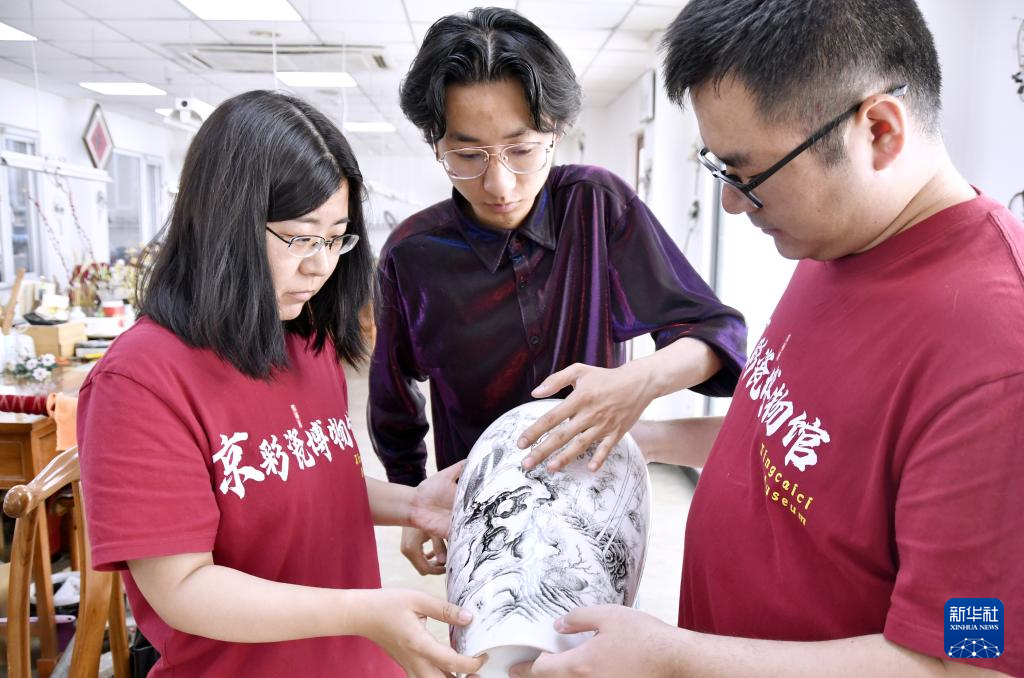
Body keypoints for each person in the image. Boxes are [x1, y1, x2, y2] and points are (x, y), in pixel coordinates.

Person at [513, 0, 1024, 676]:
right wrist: (635, 440)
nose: (731, 203)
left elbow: (970, 661)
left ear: (878, 131)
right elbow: (799, 444)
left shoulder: (996, 354)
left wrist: (673, 659)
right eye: (719, 169)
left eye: (749, 174)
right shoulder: (839, 243)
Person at [77, 90, 485, 678]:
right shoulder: (140, 380)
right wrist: (362, 614)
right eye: (301, 237)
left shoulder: (304, 339)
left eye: (336, 238)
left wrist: (413, 503)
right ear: (225, 225)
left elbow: (310, 482)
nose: (320, 265)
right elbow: (182, 587)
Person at [369, 6, 747, 576]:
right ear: (435, 144)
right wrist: (411, 499)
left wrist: (638, 382)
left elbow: (716, 332)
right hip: (481, 513)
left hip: (595, 510)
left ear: (555, 132)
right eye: (467, 156)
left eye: (522, 150)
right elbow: (393, 399)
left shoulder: (597, 206)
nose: (499, 184)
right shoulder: (411, 254)